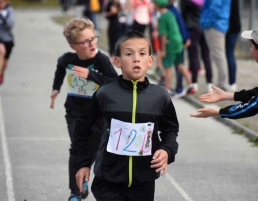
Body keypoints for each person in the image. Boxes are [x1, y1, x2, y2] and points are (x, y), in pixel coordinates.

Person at [72, 30, 179, 201]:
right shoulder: (105, 94)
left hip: (144, 181)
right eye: (129, 54)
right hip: (108, 179)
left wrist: (167, 150)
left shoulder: (160, 96)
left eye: (142, 53)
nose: (136, 58)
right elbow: (82, 127)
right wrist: (82, 163)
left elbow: (171, 129)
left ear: (150, 60)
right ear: (118, 61)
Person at [190, 23, 258, 201]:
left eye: (250, 46)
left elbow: (254, 105)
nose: (250, 50)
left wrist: (217, 112)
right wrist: (227, 95)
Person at [49, 18, 118, 201]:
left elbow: (114, 82)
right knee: (76, 149)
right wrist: (56, 88)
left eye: (93, 38)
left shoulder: (101, 60)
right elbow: (60, 67)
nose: (92, 43)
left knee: (92, 151)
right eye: (86, 41)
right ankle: (76, 191)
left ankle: (84, 175)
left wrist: (91, 75)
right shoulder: (68, 59)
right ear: (74, 46)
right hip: (74, 113)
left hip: (97, 116)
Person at [154, 0, 194, 97]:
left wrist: (163, 50)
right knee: (180, 64)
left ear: (157, 5)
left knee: (168, 67)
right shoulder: (171, 13)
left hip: (171, 43)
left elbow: (163, 35)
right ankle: (191, 85)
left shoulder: (162, 18)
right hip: (178, 40)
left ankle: (167, 91)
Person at [180, 0, 213, 93]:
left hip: (192, 27)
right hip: (205, 27)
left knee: (193, 55)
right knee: (206, 56)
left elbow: (184, 14)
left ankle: (194, 83)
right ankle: (209, 83)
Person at [200, 0, 231, 91]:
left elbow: (214, 8)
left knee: (218, 55)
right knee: (219, 54)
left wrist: (207, 21)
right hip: (219, 24)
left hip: (214, 25)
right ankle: (222, 83)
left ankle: (222, 85)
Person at [0, 0, 14, 85]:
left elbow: (11, 25)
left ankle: (1, 74)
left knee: (4, 63)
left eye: (1, 3)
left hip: (8, 38)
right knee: (1, 51)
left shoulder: (9, 11)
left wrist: (0, 16)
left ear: (6, 2)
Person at [225, 0, 241, 92]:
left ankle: (231, 81)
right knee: (230, 54)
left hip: (230, 28)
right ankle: (232, 82)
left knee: (229, 54)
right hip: (235, 26)